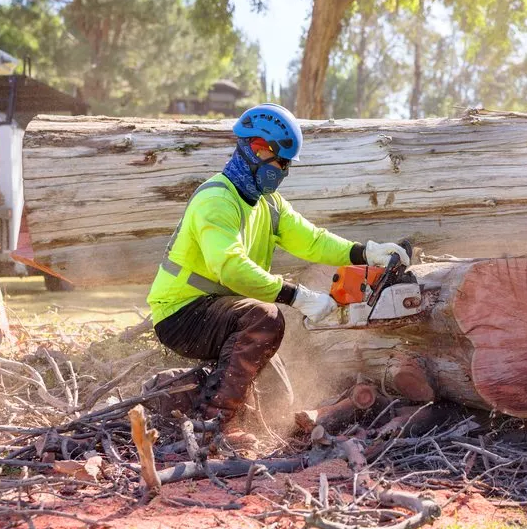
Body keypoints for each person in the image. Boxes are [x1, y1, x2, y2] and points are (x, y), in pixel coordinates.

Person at [146, 103, 408, 430]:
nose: (284, 170)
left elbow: (311, 240)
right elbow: (230, 268)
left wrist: (366, 253)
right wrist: (298, 297)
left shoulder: (268, 204)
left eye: (287, 164)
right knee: (265, 318)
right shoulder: (216, 200)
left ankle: (170, 395)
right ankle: (216, 425)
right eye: (281, 161)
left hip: (220, 310)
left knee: (278, 398)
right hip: (182, 313)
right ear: (257, 148)